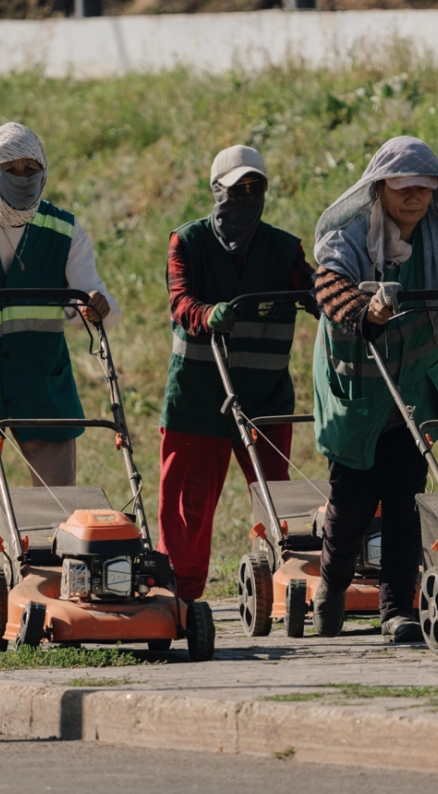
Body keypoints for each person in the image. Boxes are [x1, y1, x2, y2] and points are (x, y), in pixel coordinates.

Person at [0, 122, 120, 647]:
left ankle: (41, 596)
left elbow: (91, 294)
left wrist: (97, 307)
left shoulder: (64, 230)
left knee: (53, 503)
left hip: (39, 379)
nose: (24, 179)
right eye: (13, 169)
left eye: (33, 170)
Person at [311, 136, 438, 642]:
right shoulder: (349, 236)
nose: (414, 199)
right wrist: (365, 311)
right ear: (380, 189)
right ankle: (332, 589)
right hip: (355, 387)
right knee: (353, 502)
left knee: (404, 497)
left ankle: (396, 609)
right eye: (404, 189)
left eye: (424, 189)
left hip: (412, 387)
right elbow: (329, 287)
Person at [157, 145, 315, 602]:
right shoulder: (186, 242)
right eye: (236, 189)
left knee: (274, 501)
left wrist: (335, 301)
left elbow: (311, 289)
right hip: (198, 399)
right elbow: (181, 300)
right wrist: (208, 315)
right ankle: (180, 598)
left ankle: (277, 588)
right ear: (216, 192)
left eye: (255, 188)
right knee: (187, 507)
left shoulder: (284, 249)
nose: (246, 197)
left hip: (264, 397)